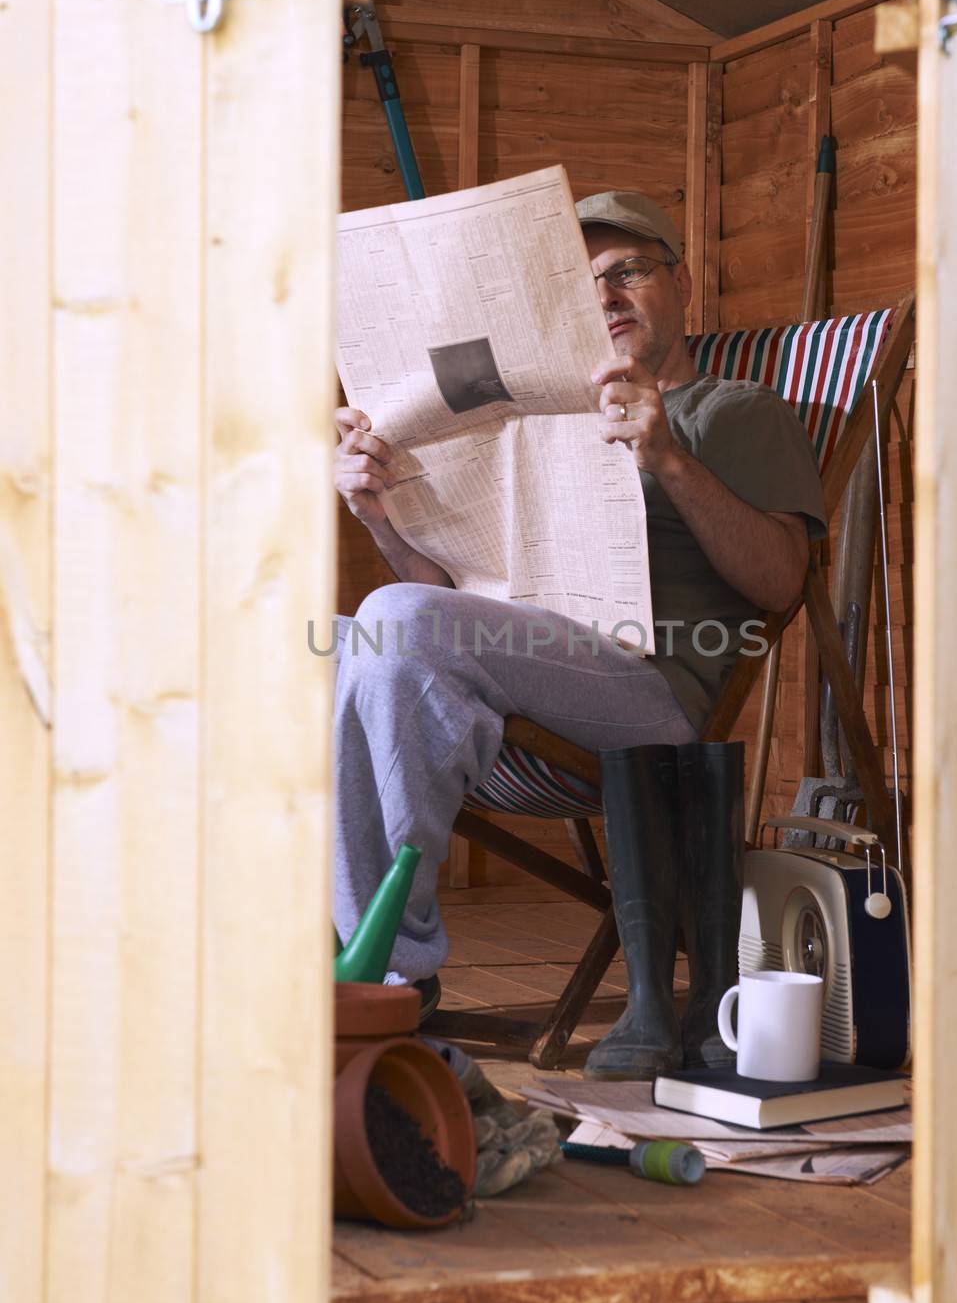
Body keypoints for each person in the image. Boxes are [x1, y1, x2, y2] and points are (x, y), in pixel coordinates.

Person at [332, 190, 827, 1076]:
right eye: (583, 285)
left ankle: (387, 970)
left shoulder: (731, 409)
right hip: (518, 670)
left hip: (648, 694)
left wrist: (666, 455)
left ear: (678, 280)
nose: (607, 297)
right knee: (319, 650)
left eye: (626, 272)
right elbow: (435, 604)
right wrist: (378, 517)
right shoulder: (533, 427)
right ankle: (355, 969)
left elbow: (781, 582)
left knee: (393, 627)